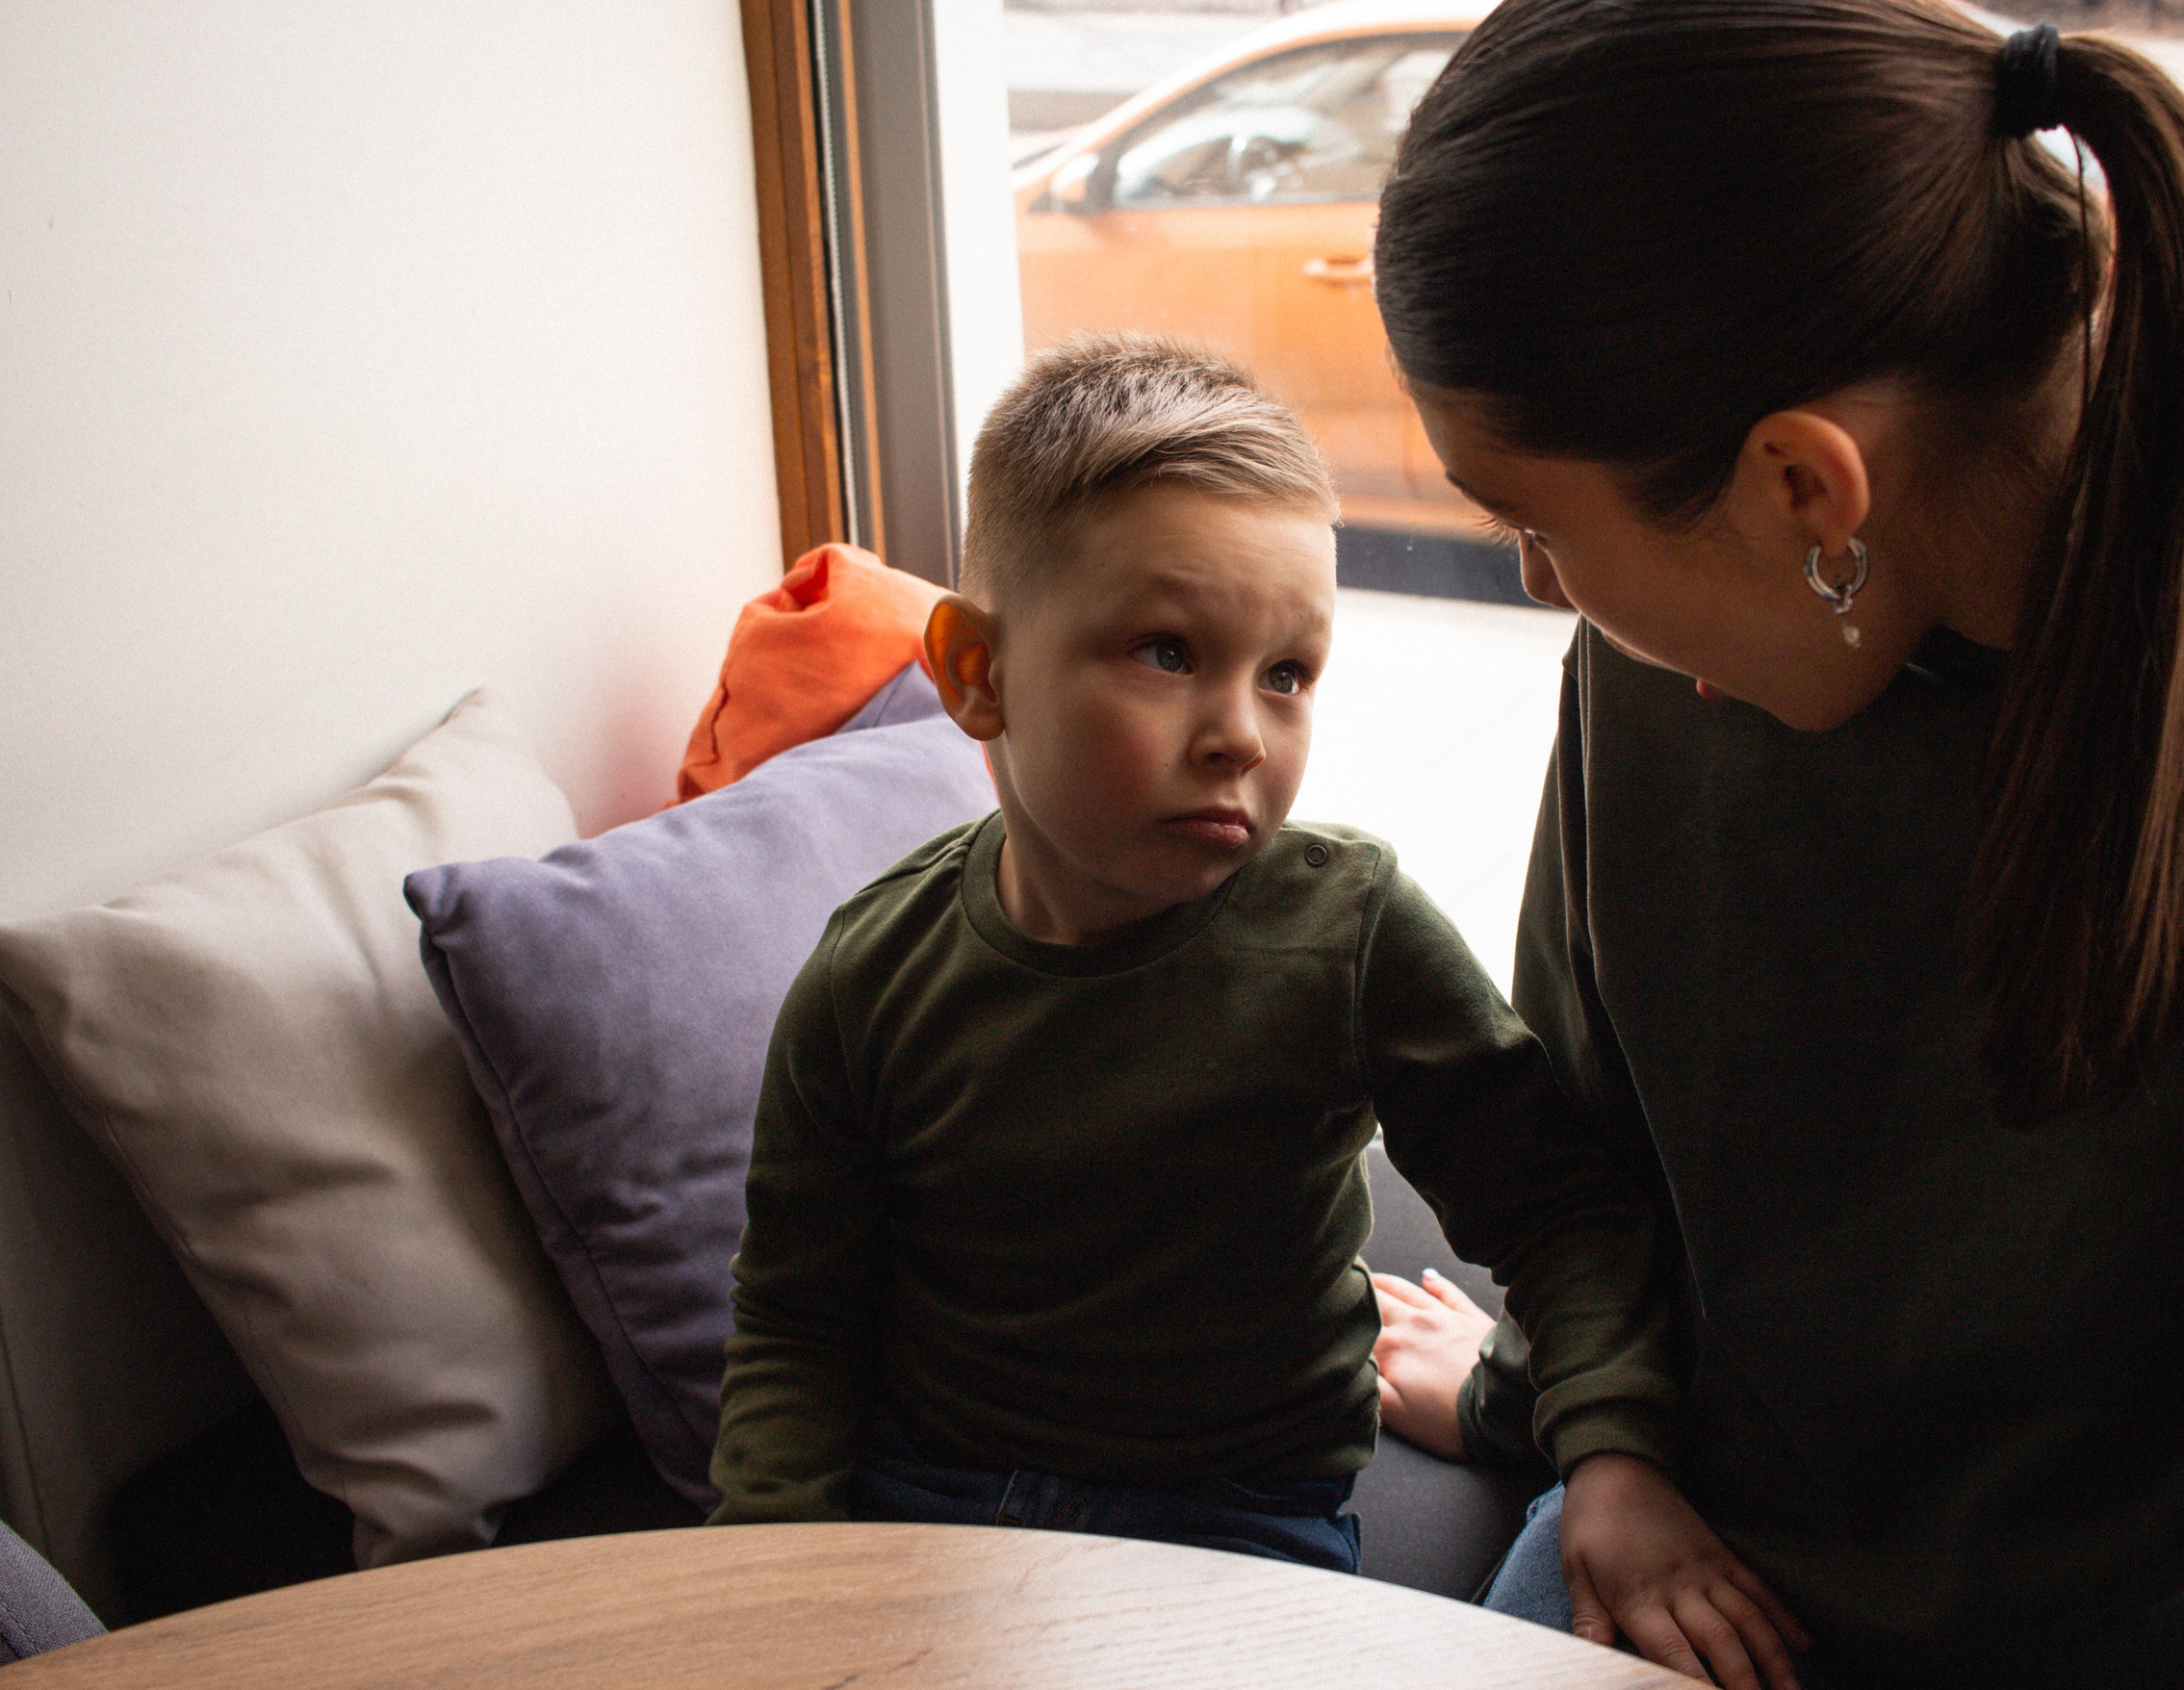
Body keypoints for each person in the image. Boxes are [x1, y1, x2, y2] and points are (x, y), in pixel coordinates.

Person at [1362, 1, 2184, 1687]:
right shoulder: (1686, 632)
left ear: (1805, 489)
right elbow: (1588, 1148)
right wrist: (1577, 1415)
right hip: (1695, 1575)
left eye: (1533, 525)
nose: (1539, 583)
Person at [706, 337, 1663, 1575]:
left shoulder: (1352, 933)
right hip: (928, 1494)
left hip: (1234, 1517)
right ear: (979, 673)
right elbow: (796, 1319)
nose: (1241, 736)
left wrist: (1613, 1454)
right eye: (1168, 652)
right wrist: (769, 1566)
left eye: (1286, 674)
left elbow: (1558, 1215)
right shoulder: (871, 974)